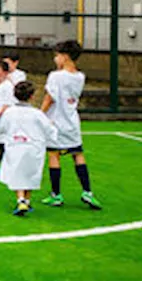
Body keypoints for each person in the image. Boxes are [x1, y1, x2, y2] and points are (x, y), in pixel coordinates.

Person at [40, 39, 101, 209]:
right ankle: (87, 191)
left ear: (65, 56)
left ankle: (56, 194)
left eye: (57, 56)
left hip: (56, 121)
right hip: (72, 121)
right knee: (78, 154)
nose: (55, 59)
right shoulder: (80, 76)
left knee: (54, 155)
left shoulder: (56, 76)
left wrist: (39, 114)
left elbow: (49, 97)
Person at [0, 80, 59, 216]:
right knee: (30, 173)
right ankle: (26, 201)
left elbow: (1, 128)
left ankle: (21, 200)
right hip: (34, 147)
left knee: (17, 173)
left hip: (16, 146)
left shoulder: (9, 112)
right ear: (31, 96)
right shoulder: (37, 114)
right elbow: (50, 130)